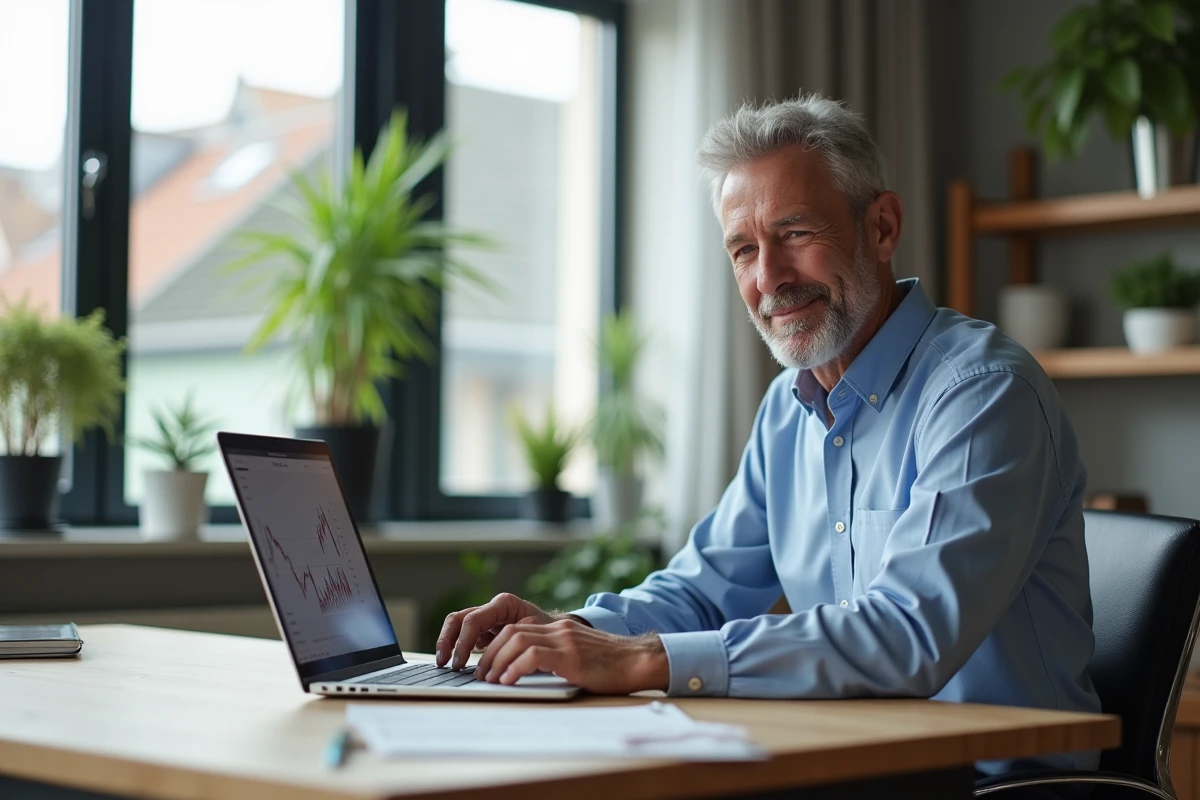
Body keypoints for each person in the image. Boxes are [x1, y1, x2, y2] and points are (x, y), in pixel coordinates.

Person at [437, 95, 1100, 778]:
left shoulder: (981, 394)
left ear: (881, 227)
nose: (770, 279)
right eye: (744, 249)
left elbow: (909, 634)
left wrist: (642, 660)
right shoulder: (788, 408)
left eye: (795, 234)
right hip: (859, 772)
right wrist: (558, 634)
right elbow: (701, 593)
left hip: (998, 785)